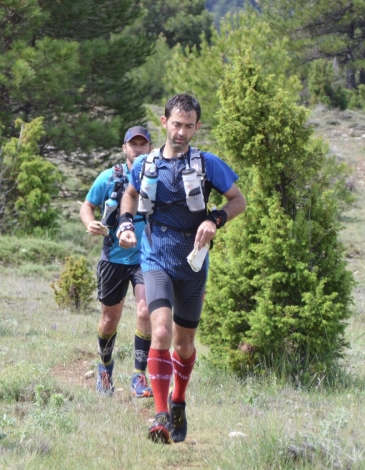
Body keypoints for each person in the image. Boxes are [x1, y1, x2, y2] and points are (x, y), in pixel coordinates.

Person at [117, 94, 247, 444]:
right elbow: (130, 196)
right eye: (176, 124)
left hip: (192, 260)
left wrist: (215, 219)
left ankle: (178, 401)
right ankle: (159, 415)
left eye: (189, 126)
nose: (182, 132)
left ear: (196, 127)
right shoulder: (145, 165)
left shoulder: (207, 164)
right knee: (159, 332)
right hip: (156, 255)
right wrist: (126, 224)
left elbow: (239, 201)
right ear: (164, 122)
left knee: (184, 343)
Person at [79, 126, 154, 398]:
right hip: (113, 256)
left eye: (142, 144)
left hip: (146, 257)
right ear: (124, 148)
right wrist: (90, 224)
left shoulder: (156, 178)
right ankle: (105, 368)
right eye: (132, 144)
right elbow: (86, 206)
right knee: (109, 319)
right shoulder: (108, 177)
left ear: (149, 148)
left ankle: (139, 376)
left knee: (145, 311)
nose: (137, 148)